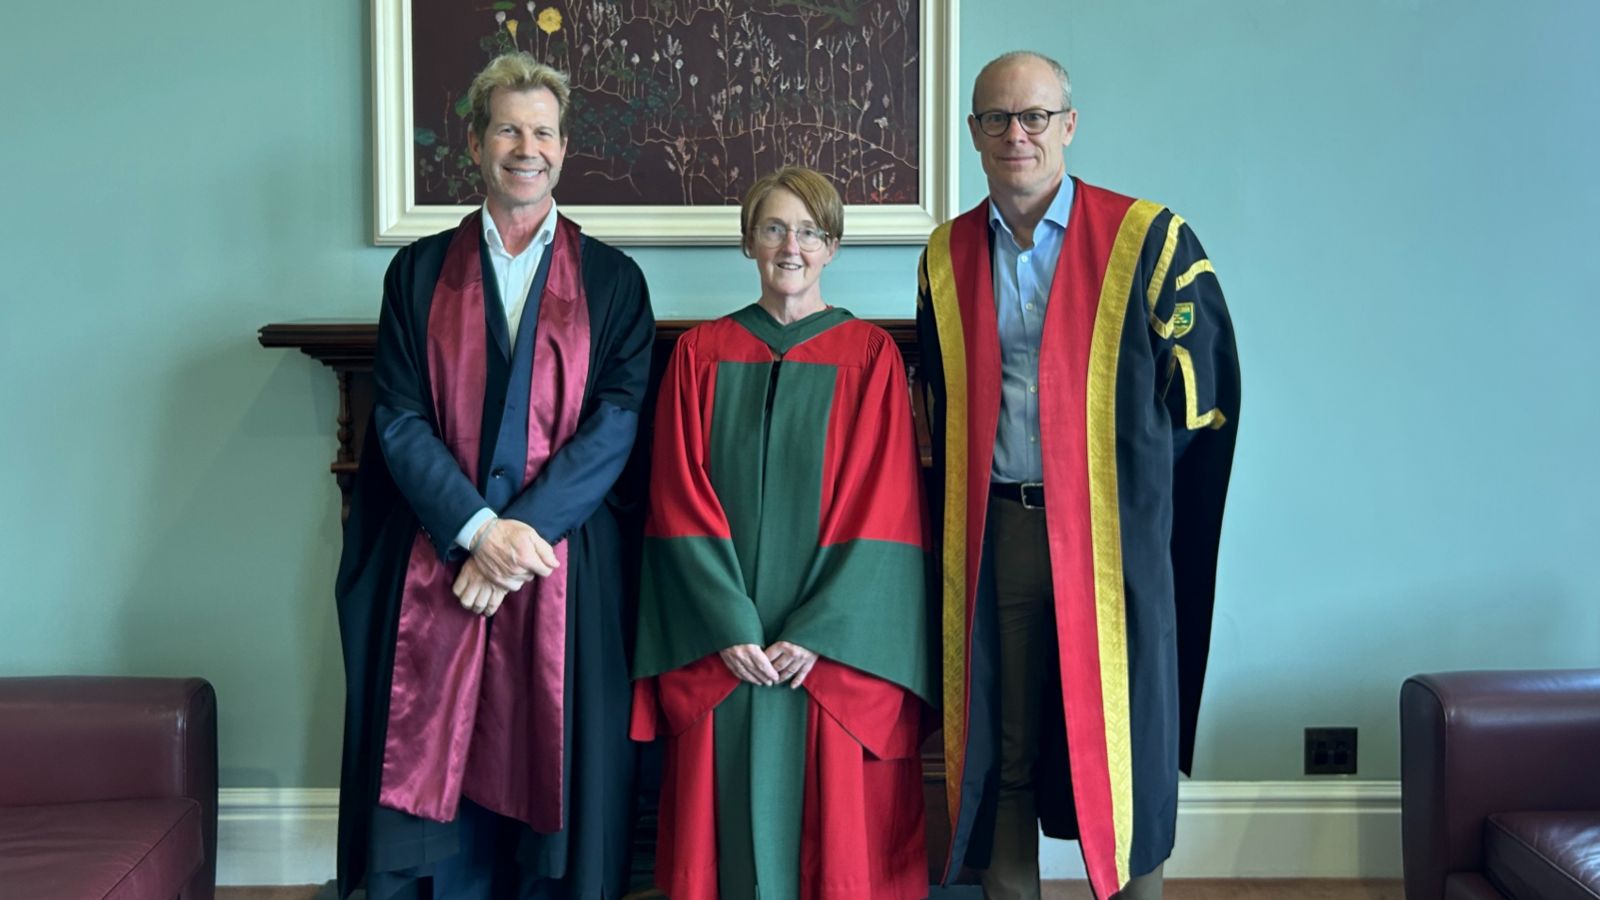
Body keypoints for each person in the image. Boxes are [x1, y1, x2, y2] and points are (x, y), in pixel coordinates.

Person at [916, 51, 1242, 900]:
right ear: (975, 135)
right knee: (1005, 736)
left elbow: (1203, 405)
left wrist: (1135, 509)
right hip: (1000, 528)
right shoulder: (946, 257)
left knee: (1128, 734)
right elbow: (938, 407)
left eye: (1033, 117)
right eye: (995, 118)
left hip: (1111, 535)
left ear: (1069, 125)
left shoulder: (1149, 239)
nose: (1015, 135)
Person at [333, 52, 654, 899]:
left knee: (546, 748)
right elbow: (398, 418)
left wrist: (518, 540)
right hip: (441, 552)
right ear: (474, 143)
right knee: (431, 751)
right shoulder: (417, 274)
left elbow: (615, 425)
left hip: (561, 565)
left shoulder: (615, 281)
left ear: (564, 147)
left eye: (543, 131)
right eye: (508, 127)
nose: (527, 146)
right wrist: (478, 532)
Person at [630, 166, 936, 900]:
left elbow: (884, 505)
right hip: (724, 647)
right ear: (747, 243)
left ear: (832, 246)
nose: (789, 246)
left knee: (837, 841)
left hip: (828, 655)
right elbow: (677, 497)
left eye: (808, 231)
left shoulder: (870, 358)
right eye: (772, 228)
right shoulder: (699, 357)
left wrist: (820, 631)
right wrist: (728, 625)